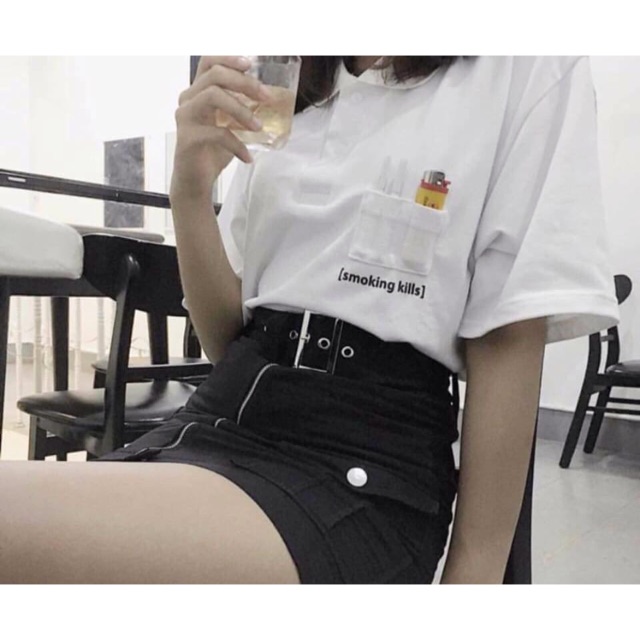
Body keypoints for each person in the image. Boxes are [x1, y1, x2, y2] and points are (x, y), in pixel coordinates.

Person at [0, 55, 619, 584]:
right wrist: (189, 191)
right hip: (218, 418)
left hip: (361, 462)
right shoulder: (292, 79)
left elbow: (509, 338)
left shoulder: (523, 63)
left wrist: (472, 585)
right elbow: (224, 340)